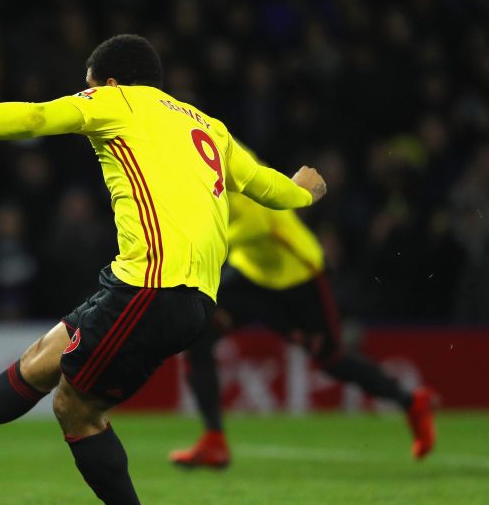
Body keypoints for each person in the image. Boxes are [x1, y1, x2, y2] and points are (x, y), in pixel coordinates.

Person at [0, 34, 326, 505]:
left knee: (74, 407)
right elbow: (265, 185)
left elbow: (33, 119)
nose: (86, 95)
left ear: (110, 81)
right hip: (166, 289)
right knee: (40, 360)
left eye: (89, 87)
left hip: (152, 287)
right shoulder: (207, 126)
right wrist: (304, 189)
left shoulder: (115, 101)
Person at [170, 190, 436, 469]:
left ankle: (411, 402)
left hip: (299, 276)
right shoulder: (196, 177)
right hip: (253, 271)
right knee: (197, 333)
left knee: (332, 359)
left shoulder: (231, 174)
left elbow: (255, 225)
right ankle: (214, 441)